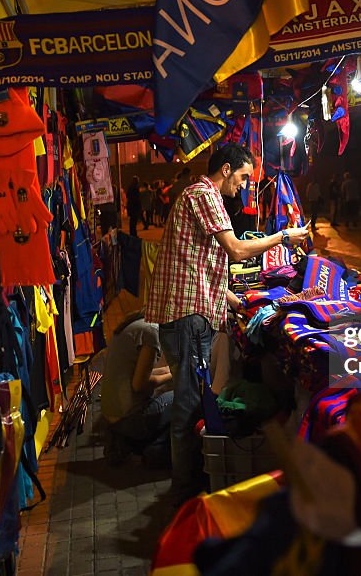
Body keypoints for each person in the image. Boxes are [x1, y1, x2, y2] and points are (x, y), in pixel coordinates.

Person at [144, 144, 309, 504]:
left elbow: (207, 267)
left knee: (192, 398)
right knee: (188, 404)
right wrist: (284, 237)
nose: (245, 185)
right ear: (226, 170)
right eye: (244, 177)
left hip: (190, 311)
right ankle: (184, 490)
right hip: (187, 315)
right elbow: (235, 250)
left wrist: (245, 303)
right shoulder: (205, 194)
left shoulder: (199, 196)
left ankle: (190, 477)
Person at [100, 311, 173, 466]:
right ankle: (154, 452)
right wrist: (175, 375)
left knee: (165, 391)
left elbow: (137, 373)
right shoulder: (151, 332)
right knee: (183, 399)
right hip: (130, 419)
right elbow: (139, 384)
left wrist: (168, 370)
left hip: (111, 414)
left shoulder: (136, 323)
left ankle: (126, 444)